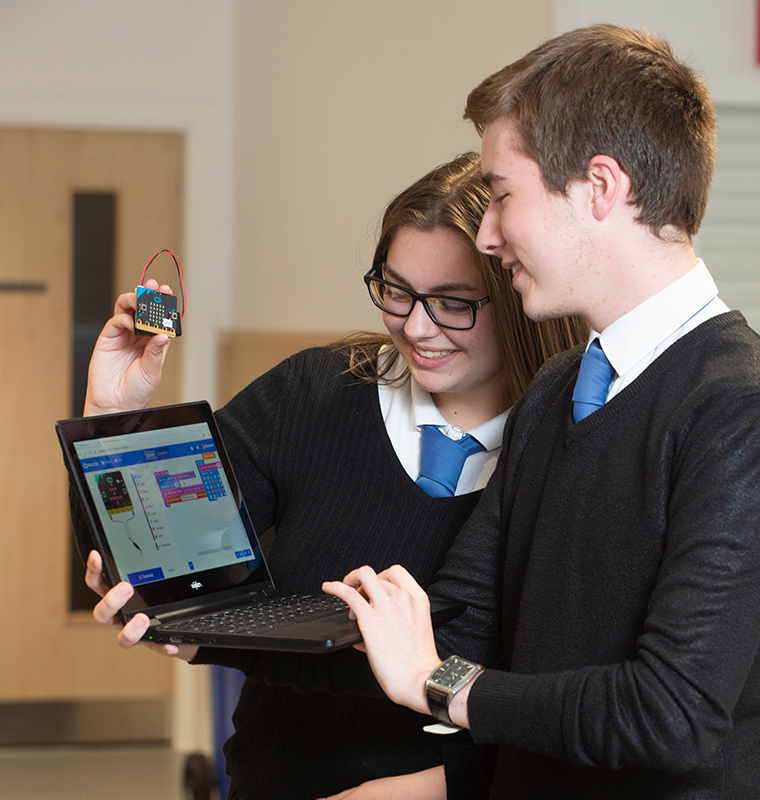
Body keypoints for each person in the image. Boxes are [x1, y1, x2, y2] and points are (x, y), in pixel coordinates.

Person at [322, 25, 760, 799]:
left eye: (504, 194)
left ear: (600, 187)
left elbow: (670, 713)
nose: (486, 234)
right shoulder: (560, 385)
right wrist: (208, 629)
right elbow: (459, 628)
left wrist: (443, 687)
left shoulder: (748, 410)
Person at [74, 152, 586, 799]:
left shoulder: (568, 455)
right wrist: (113, 415)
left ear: (518, 292)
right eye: (396, 291)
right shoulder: (313, 393)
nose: (416, 326)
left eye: (453, 304)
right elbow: (158, 569)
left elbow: (563, 699)